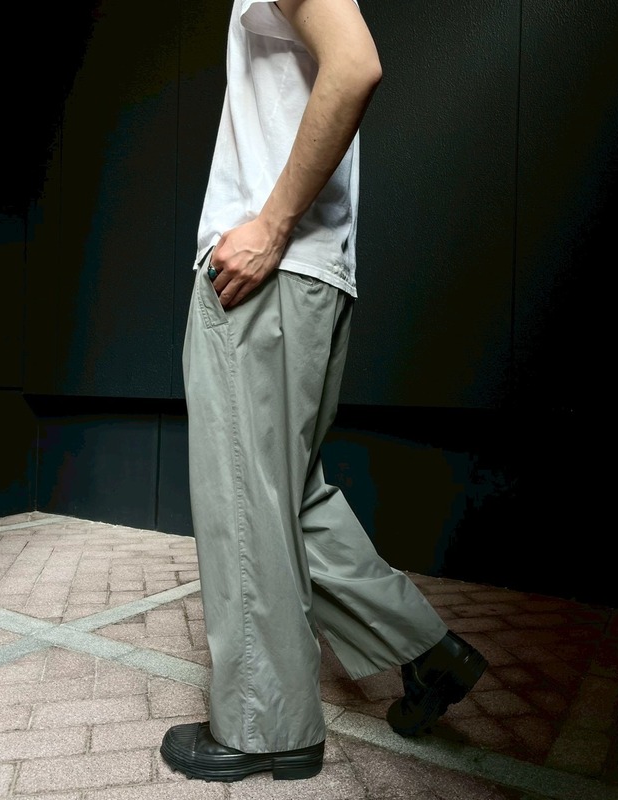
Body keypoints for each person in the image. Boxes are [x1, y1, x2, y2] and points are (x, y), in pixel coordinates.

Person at [160, 0, 487, 783]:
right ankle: (426, 651)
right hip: (309, 279)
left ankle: (265, 727)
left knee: (246, 499)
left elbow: (355, 65)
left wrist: (270, 225)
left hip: (266, 276)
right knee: (289, 498)